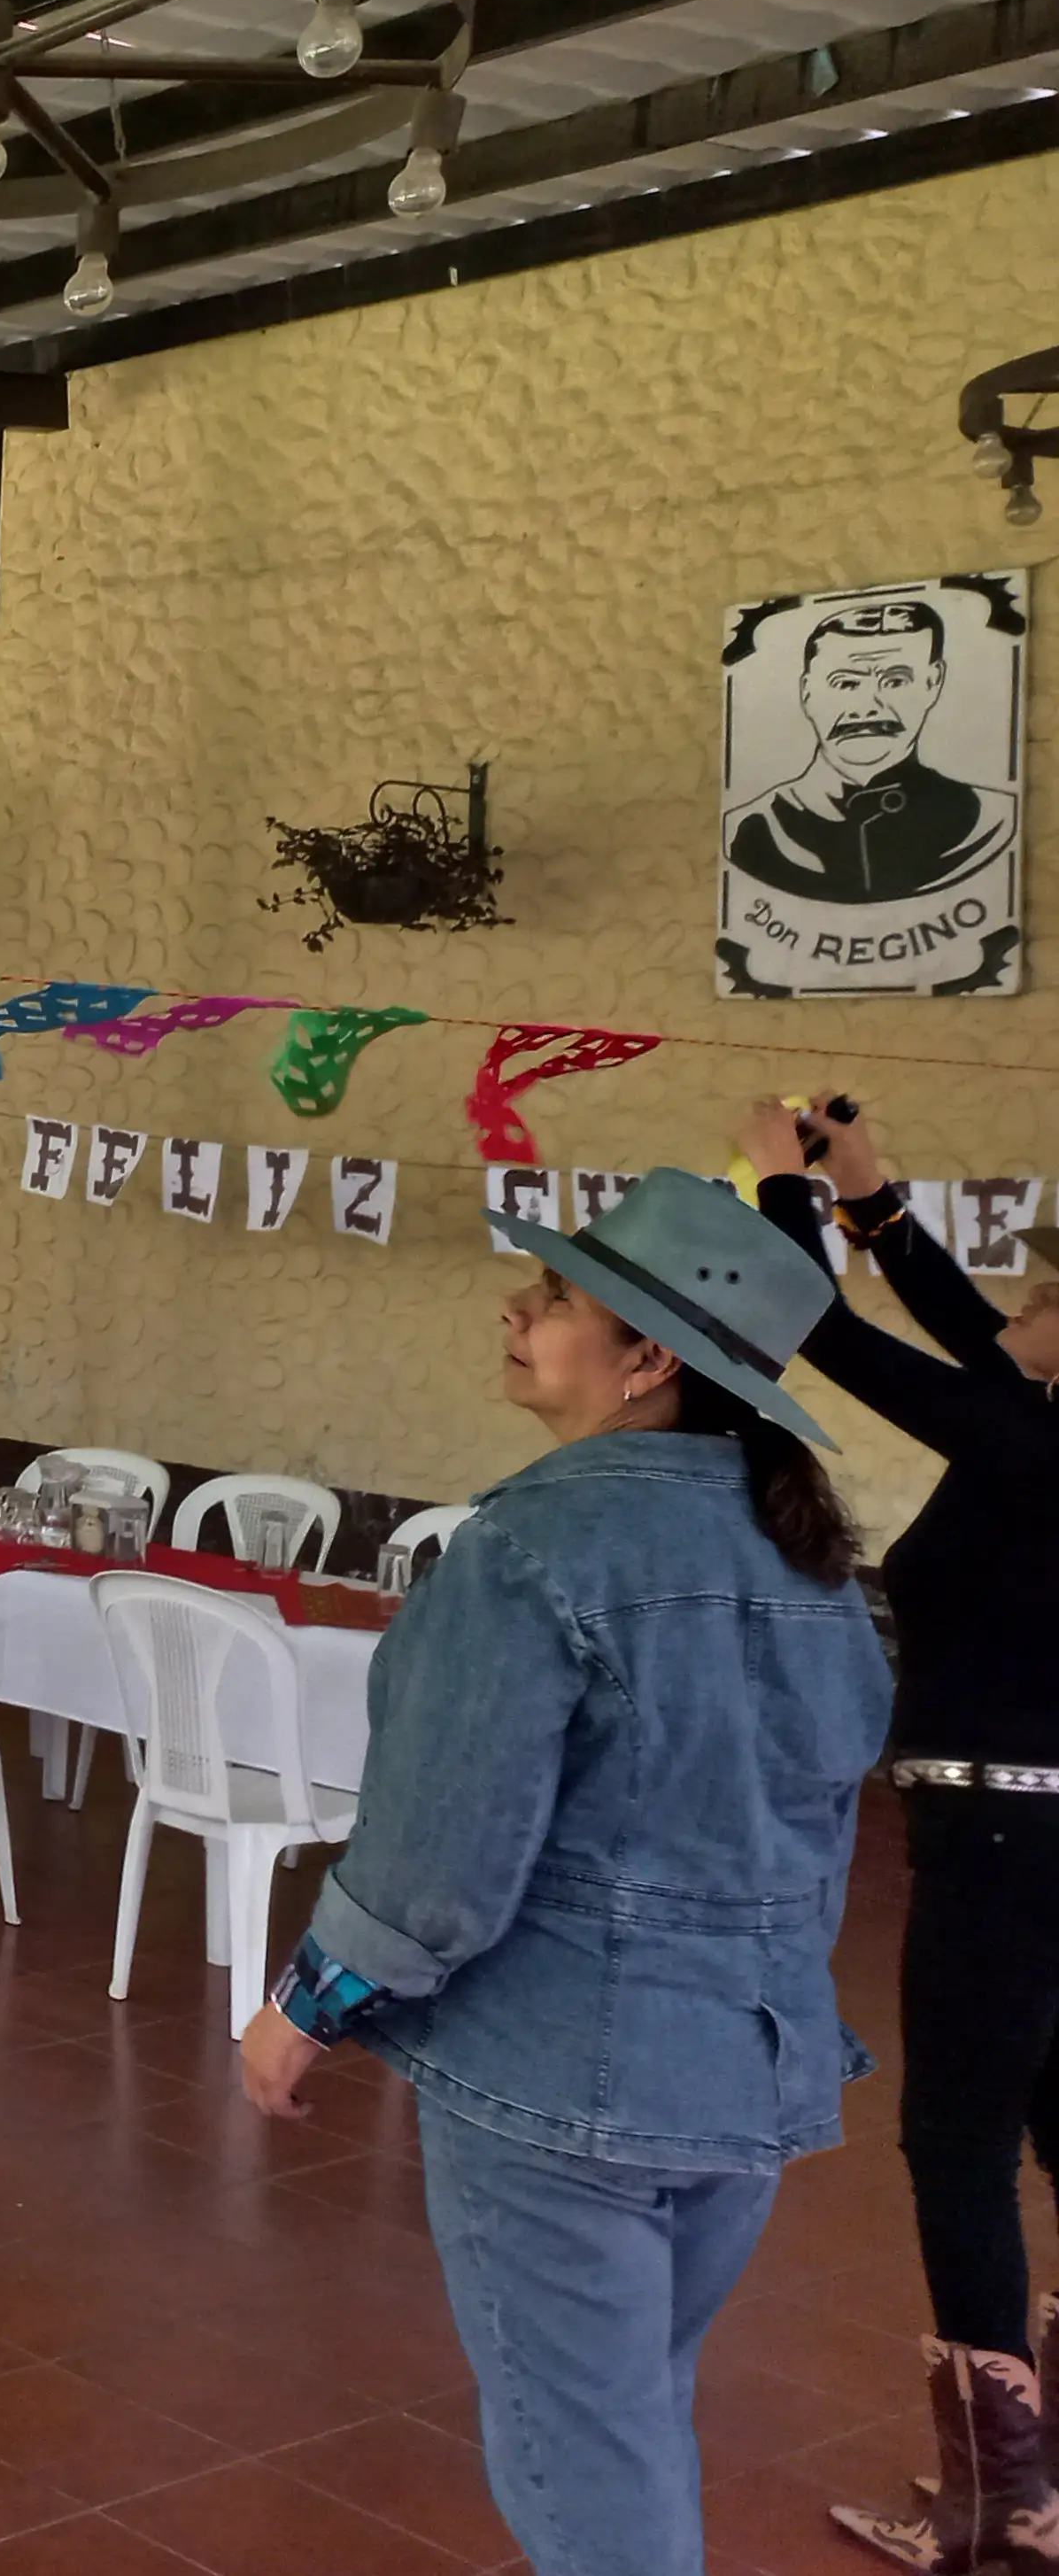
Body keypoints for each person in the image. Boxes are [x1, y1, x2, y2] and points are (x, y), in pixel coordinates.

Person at [238, 1167, 890, 2576]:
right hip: (744, 2080)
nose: (516, 1309)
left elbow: (439, 1855)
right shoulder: (815, 1562)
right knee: (634, 2414)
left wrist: (307, 2005)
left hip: (561, 2081)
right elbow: (811, 1843)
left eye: (554, 1300)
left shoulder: (530, 1546)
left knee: (587, 2462)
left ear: (648, 1359)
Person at [732, 1096, 1059, 2570]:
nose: (1018, 1311)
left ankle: (997, 2512)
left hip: (996, 1847)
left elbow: (809, 1323)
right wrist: (871, 1200)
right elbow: (967, 1336)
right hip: (1039, 1837)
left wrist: (783, 1189)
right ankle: (1033, 2493)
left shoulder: (1015, 1435)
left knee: (955, 2143)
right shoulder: (1022, 1427)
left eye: (1045, 1293)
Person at [727, 597, 1018, 906]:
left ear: (933, 683)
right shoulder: (749, 830)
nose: (867, 707)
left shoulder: (992, 823)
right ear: (807, 692)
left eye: (894, 681)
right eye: (846, 684)